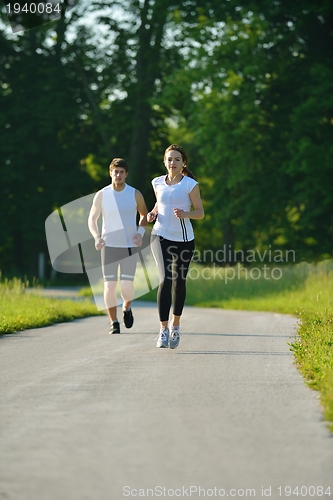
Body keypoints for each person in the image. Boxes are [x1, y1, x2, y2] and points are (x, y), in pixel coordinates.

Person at [147, 144, 204, 349]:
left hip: (184, 239)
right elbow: (158, 204)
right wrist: (152, 214)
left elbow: (200, 212)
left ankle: (175, 326)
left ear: (183, 163)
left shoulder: (190, 185)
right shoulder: (156, 182)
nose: (173, 163)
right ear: (164, 161)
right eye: (169, 159)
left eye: (177, 159)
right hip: (160, 234)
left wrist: (186, 214)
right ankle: (162, 330)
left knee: (180, 281)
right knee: (165, 279)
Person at [88, 158, 148, 334]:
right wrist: (96, 237)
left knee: (127, 286)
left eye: (122, 172)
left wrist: (140, 233)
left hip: (129, 245)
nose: (118, 175)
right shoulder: (102, 195)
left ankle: (127, 307)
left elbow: (144, 215)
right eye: (116, 171)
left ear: (126, 174)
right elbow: (92, 219)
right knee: (110, 286)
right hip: (109, 246)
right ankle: (113, 322)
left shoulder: (134, 194)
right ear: (110, 173)